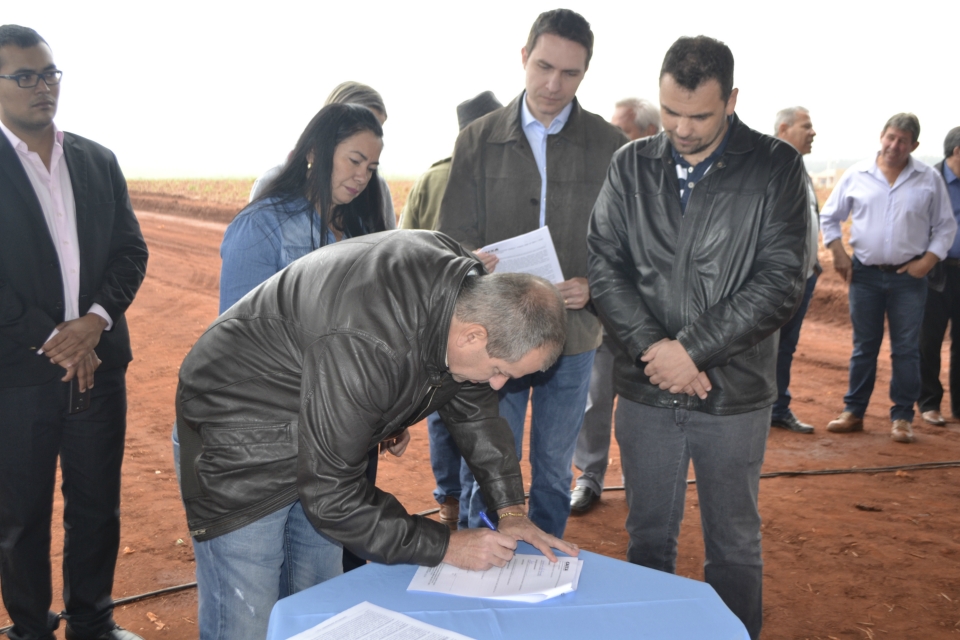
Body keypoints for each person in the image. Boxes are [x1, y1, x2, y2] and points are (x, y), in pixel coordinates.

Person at [175, 231, 577, 640]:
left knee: (318, 604)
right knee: (249, 615)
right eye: (500, 371)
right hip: (240, 435)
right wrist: (445, 545)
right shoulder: (365, 340)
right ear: (472, 335)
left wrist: (510, 510)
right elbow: (333, 498)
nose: (496, 386)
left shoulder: (466, 291)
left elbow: (475, 411)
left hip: (320, 418)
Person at [586, 36, 809, 639]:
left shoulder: (776, 167)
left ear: (732, 100)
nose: (681, 129)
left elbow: (782, 280)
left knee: (734, 543)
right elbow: (605, 264)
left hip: (733, 393)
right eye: (671, 112)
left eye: (700, 115)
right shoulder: (631, 164)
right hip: (645, 386)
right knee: (647, 537)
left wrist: (692, 351)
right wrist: (656, 352)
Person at [438, 8, 628, 537]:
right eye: (543, 66)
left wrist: (593, 283)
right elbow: (451, 235)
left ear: (586, 73)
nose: (552, 84)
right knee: (490, 459)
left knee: (550, 466)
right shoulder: (477, 140)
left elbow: (623, 243)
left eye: (570, 74)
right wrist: (474, 261)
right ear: (523, 57)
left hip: (575, 334)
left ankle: (539, 568)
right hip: (498, 338)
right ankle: (480, 556)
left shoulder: (610, 145)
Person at [0, 25, 148, 640]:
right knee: (20, 515)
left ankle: (92, 621)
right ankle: (31, 628)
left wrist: (93, 324)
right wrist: (58, 341)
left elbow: (129, 251)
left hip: (99, 364)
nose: (43, 87)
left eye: (50, 73)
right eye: (26, 76)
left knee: (96, 508)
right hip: (18, 376)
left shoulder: (96, 159)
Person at [399, 90, 503, 529]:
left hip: (444, 321)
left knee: (447, 412)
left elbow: (404, 243)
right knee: (475, 413)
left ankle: (450, 502)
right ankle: (463, 510)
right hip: (483, 317)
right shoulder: (497, 177)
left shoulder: (431, 178)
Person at [822, 114, 956, 443]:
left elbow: (945, 226)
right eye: (891, 137)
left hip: (909, 278)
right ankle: (853, 412)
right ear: (882, 136)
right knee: (863, 347)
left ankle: (902, 417)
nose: (895, 146)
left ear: (915, 145)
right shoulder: (857, 174)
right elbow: (829, 216)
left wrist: (927, 261)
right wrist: (839, 253)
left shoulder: (928, 179)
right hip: (865, 275)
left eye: (904, 141)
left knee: (907, 349)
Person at [570, 96, 661, 513]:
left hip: (653, 321)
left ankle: (645, 480)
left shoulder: (668, 184)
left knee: (646, 404)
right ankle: (589, 476)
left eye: (622, 132)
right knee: (595, 396)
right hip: (601, 314)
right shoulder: (601, 178)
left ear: (649, 134)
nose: (614, 141)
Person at [249, 81, 397, 230]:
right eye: (361, 123)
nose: (370, 137)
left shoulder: (377, 189)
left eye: (378, 130)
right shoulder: (271, 183)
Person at [770, 106, 821, 434]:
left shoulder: (800, 169)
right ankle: (754, 412)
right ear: (784, 128)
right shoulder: (768, 169)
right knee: (761, 348)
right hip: (773, 283)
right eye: (807, 126)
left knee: (785, 348)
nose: (813, 132)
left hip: (803, 279)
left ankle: (777, 408)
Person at [919, 127, 960, 425]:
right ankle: (929, 403)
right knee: (929, 340)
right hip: (935, 273)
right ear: (958, 152)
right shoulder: (927, 181)